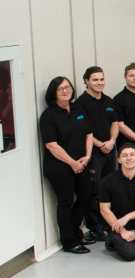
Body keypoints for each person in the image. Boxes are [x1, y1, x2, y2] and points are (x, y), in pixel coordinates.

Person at [39, 76, 94, 253]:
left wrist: (87, 156)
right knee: (66, 202)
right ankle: (69, 241)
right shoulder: (48, 116)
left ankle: (75, 230)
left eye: (68, 87)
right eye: (61, 89)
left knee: (85, 196)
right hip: (59, 167)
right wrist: (72, 163)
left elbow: (89, 133)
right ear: (53, 93)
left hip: (82, 163)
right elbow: (51, 145)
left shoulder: (78, 108)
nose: (65, 91)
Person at [74, 65, 119, 240]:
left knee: (109, 187)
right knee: (94, 190)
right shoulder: (80, 104)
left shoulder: (108, 101)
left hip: (110, 150)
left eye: (101, 79)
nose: (99, 83)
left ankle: (108, 221)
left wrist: (112, 141)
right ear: (86, 81)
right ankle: (95, 226)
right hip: (93, 153)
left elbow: (115, 123)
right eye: (95, 80)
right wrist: (101, 144)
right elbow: (84, 132)